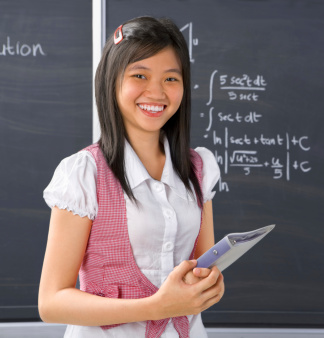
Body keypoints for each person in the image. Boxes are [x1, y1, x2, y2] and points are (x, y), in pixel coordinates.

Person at [38, 16, 224, 338]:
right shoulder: (85, 174)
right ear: (112, 82)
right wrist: (155, 306)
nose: (157, 92)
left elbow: (202, 267)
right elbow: (51, 302)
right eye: (140, 75)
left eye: (171, 79)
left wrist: (208, 285)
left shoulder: (198, 168)